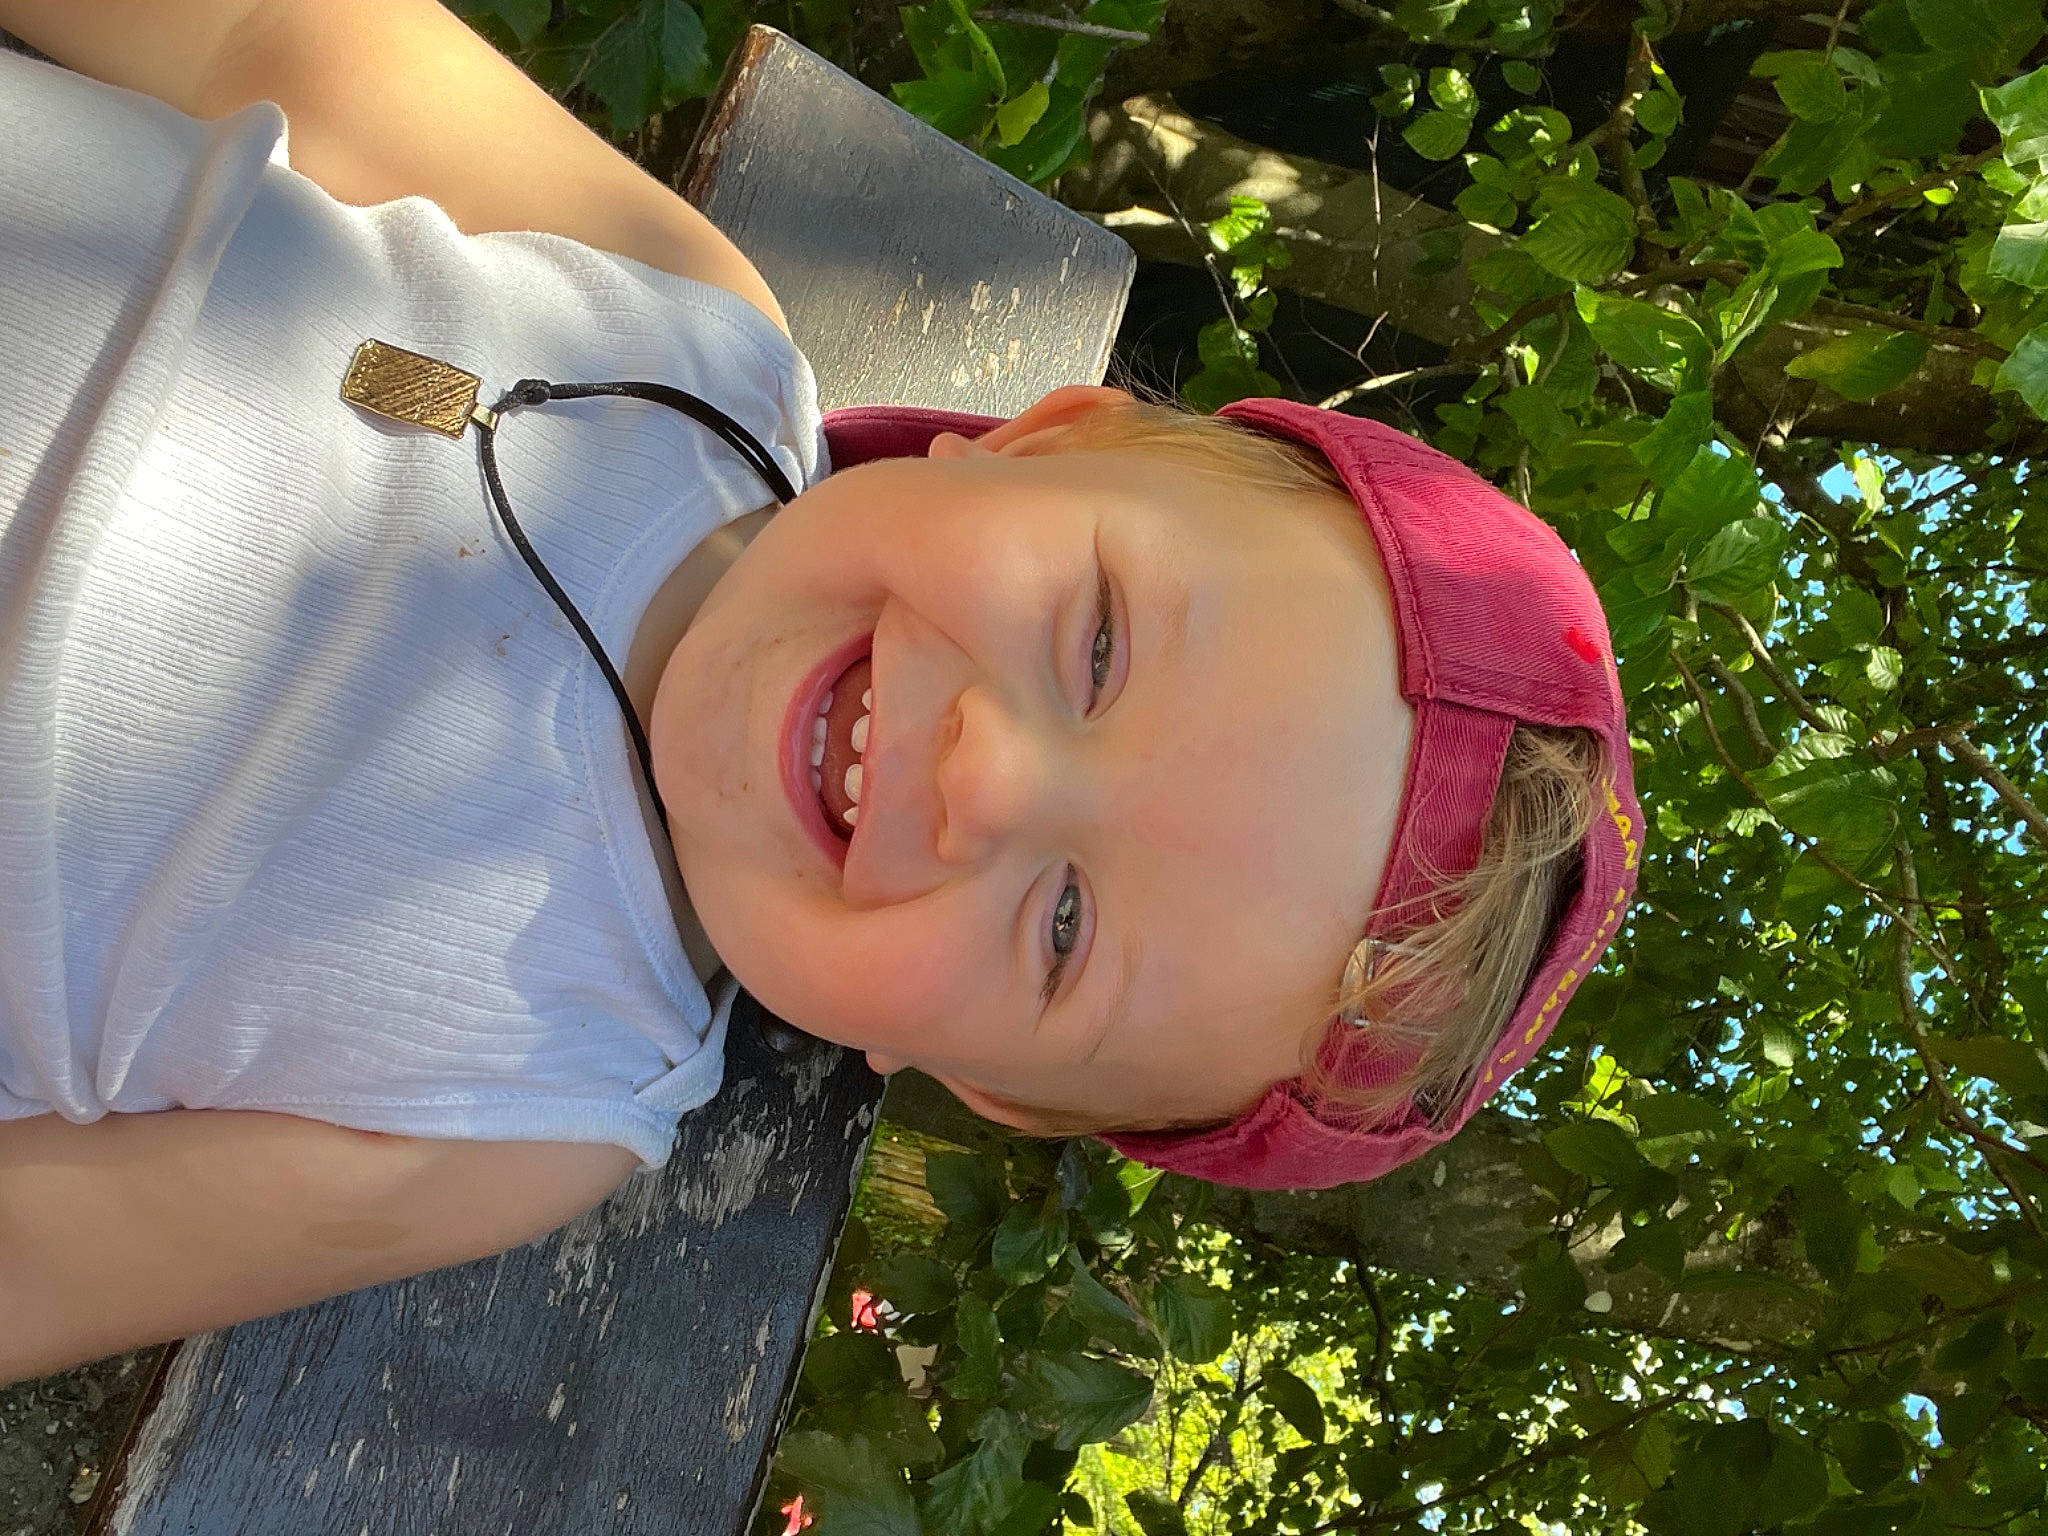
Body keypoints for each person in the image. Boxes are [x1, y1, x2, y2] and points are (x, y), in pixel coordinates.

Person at [0, 0, 1639, 1383]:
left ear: (988, 1083)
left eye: (1068, 928)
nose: (988, 780)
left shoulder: (523, 1109)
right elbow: (251, 30)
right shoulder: (680, 329)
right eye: (1100, 646)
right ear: (1047, 441)